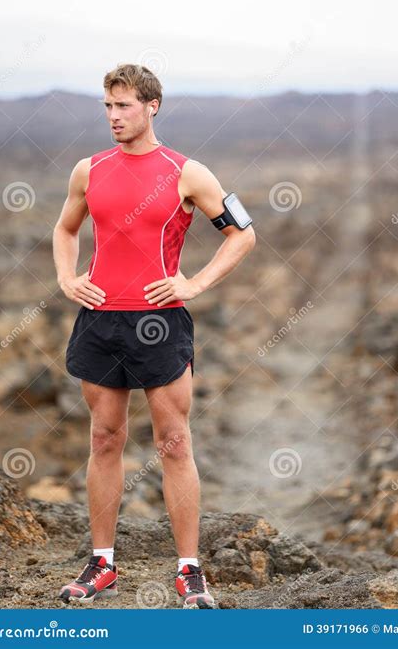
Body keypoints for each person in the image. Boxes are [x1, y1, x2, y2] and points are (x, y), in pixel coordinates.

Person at [52, 64, 255, 608]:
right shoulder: (88, 170)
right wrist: (68, 278)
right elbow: (65, 228)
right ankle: (102, 564)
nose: (113, 117)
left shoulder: (188, 172)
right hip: (99, 320)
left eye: (124, 106)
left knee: (173, 443)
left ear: (152, 106)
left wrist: (195, 283)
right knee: (104, 439)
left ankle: (189, 570)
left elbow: (243, 233)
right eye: (107, 107)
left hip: (159, 321)